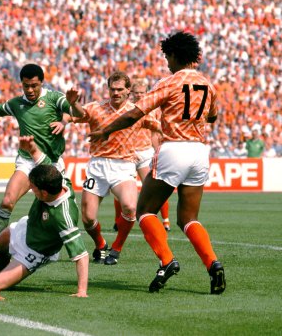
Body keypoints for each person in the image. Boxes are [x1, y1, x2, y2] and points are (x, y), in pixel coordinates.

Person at [89, 31, 226, 294]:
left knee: (144, 211)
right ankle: (213, 264)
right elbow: (212, 117)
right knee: (188, 217)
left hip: (173, 148)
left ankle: (167, 261)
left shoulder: (169, 82)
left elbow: (135, 113)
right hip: (199, 152)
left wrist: (106, 130)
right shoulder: (208, 84)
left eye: (167, 57)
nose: (166, 62)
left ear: (174, 55)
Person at [0, 63, 84, 235]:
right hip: (28, 161)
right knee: (7, 201)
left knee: (62, 213)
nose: (30, 90)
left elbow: (79, 114)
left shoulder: (55, 98)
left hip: (51, 164)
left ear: (42, 83)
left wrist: (73, 105)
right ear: (21, 84)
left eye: (34, 85)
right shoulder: (17, 103)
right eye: (26, 86)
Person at [0, 136, 88, 297]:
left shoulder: (64, 216)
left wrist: (81, 291)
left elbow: (82, 255)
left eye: (33, 188)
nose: (31, 189)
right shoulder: (58, 179)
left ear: (44, 192)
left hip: (34, 253)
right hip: (26, 226)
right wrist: (31, 147)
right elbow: (44, 161)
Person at [73, 72, 160, 266]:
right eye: (112, 89)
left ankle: (116, 249)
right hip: (97, 165)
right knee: (87, 218)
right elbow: (78, 115)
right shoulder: (96, 108)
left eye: (120, 89)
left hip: (124, 165)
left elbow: (159, 127)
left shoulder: (136, 112)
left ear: (128, 90)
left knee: (130, 207)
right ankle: (101, 244)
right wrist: (71, 107)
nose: (116, 93)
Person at [112, 79, 171, 232]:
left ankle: (164, 220)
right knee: (120, 189)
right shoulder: (128, 109)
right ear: (132, 93)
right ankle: (118, 219)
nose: (139, 95)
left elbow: (154, 133)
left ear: (147, 93)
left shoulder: (153, 109)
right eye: (136, 92)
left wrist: (158, 150)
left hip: (145, 152)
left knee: (155, 187)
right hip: (128, 153)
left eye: (142, 92)